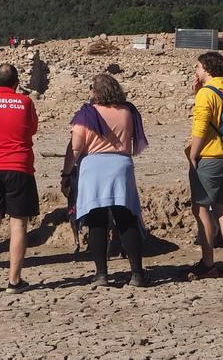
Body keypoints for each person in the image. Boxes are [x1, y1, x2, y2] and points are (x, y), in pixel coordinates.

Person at [63, 74, 150, 287]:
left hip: (94, 167)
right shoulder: (128, 111)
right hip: (121, 165)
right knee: (126, 218)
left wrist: (66, 173)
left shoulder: (87, 114)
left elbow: (76, 147)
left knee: (97, 219)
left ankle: (101, 273)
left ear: (97, 91)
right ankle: (137, 274)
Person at [0, 63, 39, 294]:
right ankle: (14, 281)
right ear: (17, 83)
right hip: (19, 168)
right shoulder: (26, 102)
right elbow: (32, 129)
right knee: (19, 224)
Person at [187, 52, 223, 280]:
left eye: (198, 67)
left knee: (201, 208)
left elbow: (200, 126)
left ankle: (208, 262)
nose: (196, 71)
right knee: (221, 208)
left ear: (207, 69)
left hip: (209, 156)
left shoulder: (207, 94)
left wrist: (193, 154)